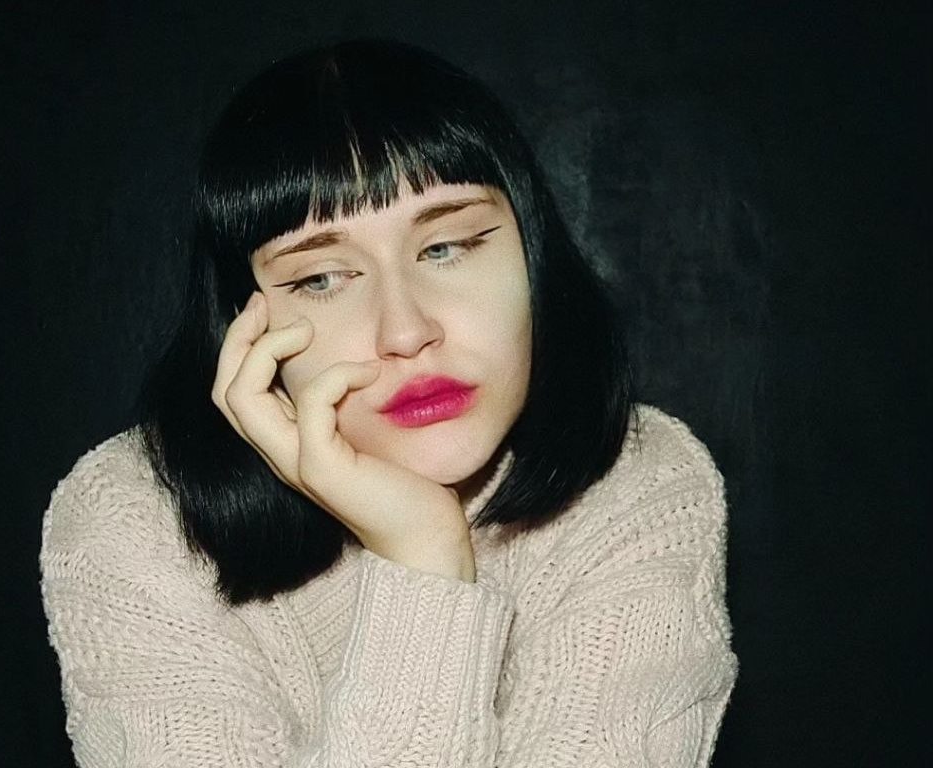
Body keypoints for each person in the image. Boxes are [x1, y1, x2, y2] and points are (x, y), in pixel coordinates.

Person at [41, 39, 737, 767]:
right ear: (244, 320)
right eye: (321, 279)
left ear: (533, 257)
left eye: (446, 248)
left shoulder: (638, 483)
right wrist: (423, 555)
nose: (405, 332)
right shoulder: (139, 515)